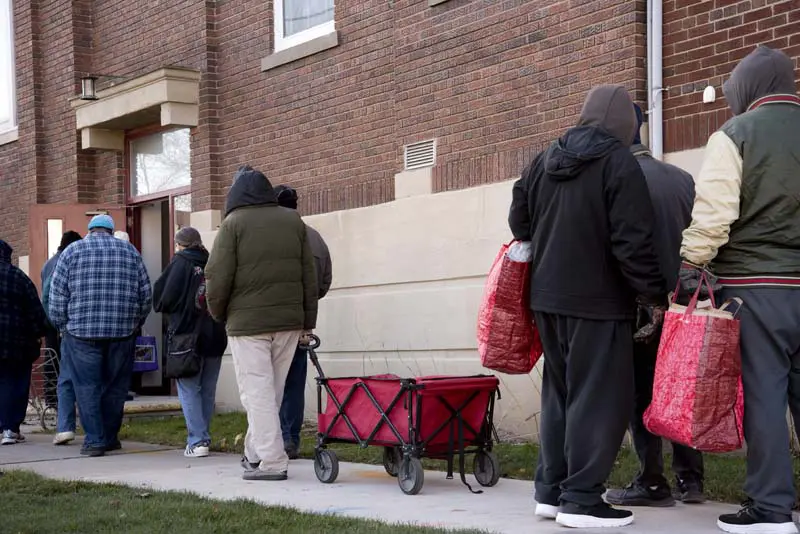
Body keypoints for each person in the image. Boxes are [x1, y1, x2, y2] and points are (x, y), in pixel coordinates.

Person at [508, 85, 666, 528]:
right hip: (599, 302)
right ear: (625, 125)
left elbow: (518, 221)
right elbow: (632, 242)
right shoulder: (618, 163)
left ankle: (551, 492)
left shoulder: (543, 158)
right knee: (598, 399)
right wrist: (653, 296)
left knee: (560, 395)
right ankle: (581, 500)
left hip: (547, 298)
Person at [679, 45, 800, 534]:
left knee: (766, 396)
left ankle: (771, 511)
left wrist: (691, 263)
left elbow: (714, 214)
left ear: (747, 88)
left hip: (758, 287)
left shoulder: (736, 134)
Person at [605, 104, 704, 508]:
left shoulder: (617, 178)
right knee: (679, 388)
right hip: (684, 304)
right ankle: (691, 479)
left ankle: (651, 479)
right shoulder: (681, 179)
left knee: (641, 394)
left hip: (639, 304)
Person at [206, 165, 318, 482]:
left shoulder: (232, 225)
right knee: (273, 391)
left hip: (248, 323)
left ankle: (272, 461)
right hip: (289, 322)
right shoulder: (292, 220)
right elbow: (307, 276)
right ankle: (255, 454)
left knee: (257, 393)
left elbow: (217, 276)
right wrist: (308, 321)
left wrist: (219, 313)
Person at [48, 214, 152, 457]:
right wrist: (136, 322)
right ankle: (110, 437)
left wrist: (63, 326)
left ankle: (95, 440)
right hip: (121, 332)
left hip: (80, 333)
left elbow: (57, 297)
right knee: (116, 387)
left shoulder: (72, 252)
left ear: (90, 229)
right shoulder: (130, 252)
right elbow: (146, 295)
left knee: (86, 387)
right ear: (111, 230)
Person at [153, 227, 227, 458]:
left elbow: (163, 298)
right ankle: (202, 436)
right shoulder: (214, 261)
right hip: (215, 333)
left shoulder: (180, 262)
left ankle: (198, 440)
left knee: (189, 388)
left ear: (180, 244)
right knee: (207, 389)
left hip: (187, 336)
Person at [274, 185, 333, 460]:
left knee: (270, 382)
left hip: (274, 321)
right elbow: (324, 283)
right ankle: (291, 439)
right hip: (302, 323)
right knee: (295, 384)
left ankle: (273, 440)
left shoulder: (276, 237)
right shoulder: (316, 238)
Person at [0, 240, 48, 445]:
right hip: (16, 344)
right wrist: (39, 333)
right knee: (15, 384)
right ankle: (10, 428)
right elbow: (35, 310)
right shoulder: (19, 277)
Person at [41, 230, 82, 446]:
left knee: (54, 364)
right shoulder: (67, 260)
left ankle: (51, 398)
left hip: (51, 322)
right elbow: (51, 294)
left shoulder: (49, 263)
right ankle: (60, 406)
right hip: (62, 324)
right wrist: (60, 322)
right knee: (65, 371)